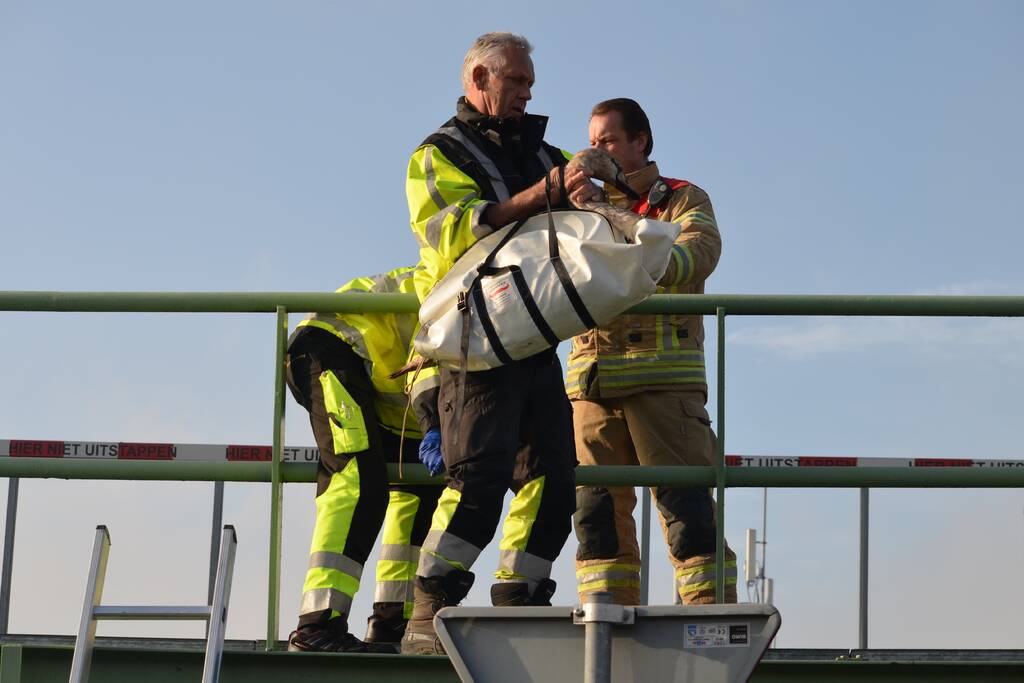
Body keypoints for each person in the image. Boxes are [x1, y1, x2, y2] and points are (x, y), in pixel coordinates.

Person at [400, 32, 599, 655]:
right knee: (478, 478)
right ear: (478, 79)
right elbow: (454, 233)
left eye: (529, 83)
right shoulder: (437, 154)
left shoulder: (544, 153)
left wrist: (596, 187)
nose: (526, 94)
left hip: (533, 337)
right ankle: (428, 612)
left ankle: (519, 600)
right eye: (515, 81)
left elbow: (582, 216)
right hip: (474, 340)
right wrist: (546, 193)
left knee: (553, 478)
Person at [567, 98, 737, 606]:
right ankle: (606, 622)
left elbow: (694, 257)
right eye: (592, 143)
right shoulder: (576, 205)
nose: (597, 152)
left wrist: (610, 216)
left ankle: (710, 621)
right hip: (593, 381)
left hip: (664, 380)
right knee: (596, 514)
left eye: (608, 141)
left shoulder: (682, 199)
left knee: (686, 509)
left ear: (640, 142)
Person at [284, 266, 443, 653]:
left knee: (419, 491)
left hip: (375, 385)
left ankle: (393, 621)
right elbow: (431, 367)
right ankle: (317, 625)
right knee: (356, 482)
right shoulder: (470, 296)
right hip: (330, 348)